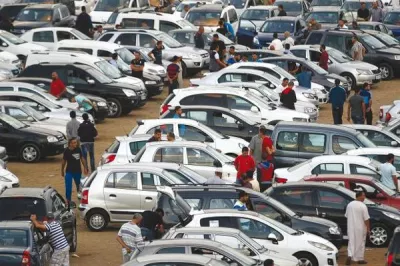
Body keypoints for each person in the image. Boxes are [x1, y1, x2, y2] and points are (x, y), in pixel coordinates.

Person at [345, 191, 370, 265]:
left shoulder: (349, 205)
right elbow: (366, 219)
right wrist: (368, 228)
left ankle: (350, 255)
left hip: (350, 227)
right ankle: (360, 259)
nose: (364, 197)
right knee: (361, 243)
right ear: (358, 196)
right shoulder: (363, 206)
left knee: (351, 242)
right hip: (360, 228)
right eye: (363, 196)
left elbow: (347, 215)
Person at [61, 138, 88, 204]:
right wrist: (62, 170)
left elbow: (82, 158)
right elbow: (64, 161)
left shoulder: (78, 149)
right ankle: (68, 201)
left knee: (79, 186)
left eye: (75, 142)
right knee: (68, 187)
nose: (75, 144)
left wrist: (85, 167)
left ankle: (80, 196)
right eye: (73, 143)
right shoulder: (66, 151)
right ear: (70, 143)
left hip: (78, 171)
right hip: (69, 172)